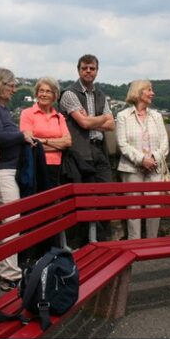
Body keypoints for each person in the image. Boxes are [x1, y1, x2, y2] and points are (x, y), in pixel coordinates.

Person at [0, 68, 35, 291]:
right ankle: (10, 272)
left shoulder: (1, 108)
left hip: (4, 169)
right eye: (11, 85)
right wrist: (22, 136)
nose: (14, 89)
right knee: (12, 219)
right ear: (0, 84)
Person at [59, 54, 116, 241]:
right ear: (78, 70)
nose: (88, 71)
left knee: (107, 197)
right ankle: (90, 243)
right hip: (80, 153)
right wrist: (99, 119)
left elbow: (111, 124)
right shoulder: (69, 94)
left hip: (100, 150)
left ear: (97, 71)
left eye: (92, 68)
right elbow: (83, 123)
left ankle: (104, 240)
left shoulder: (100, 94)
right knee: (87, 202)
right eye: (84, 68)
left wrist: (91, 120)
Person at [116, 80, 169, 239]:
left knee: (154, 209)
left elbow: (164, 143)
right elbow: (122, 144)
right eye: (149, 90)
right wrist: (141, 160)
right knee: (133, 210)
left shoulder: (157, 116)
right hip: (131, 169)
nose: (152, 93)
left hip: (154, 168)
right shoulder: (123, 116)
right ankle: (134, 244)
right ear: (139, 92)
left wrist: (153, 158)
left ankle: (152, 243)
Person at [19, 77, 72, 187]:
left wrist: (43, 141)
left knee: (54, 201)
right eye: (41, 91)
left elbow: (67, 142)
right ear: (37, 93)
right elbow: (31, 143)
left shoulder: (59, 117)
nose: (44, 94)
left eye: (48, 91)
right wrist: (58, 145)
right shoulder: (27, 113)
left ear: (54, 95)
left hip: (58, 166)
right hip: (36, 164)